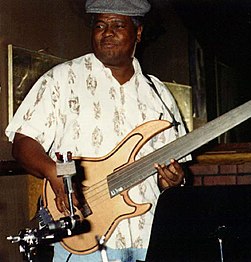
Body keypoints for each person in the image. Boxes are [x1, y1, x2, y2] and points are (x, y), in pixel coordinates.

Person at [5, 0, 190, 261]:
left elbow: (171, 176)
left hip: (149, 237)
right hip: (85, 242)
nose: (107, 32)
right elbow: (23, 142)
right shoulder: (62, 79)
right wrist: (53, 173)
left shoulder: (158, 94)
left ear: (138, 33)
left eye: (117, 25)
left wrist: (172, 181)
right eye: (100, 25)